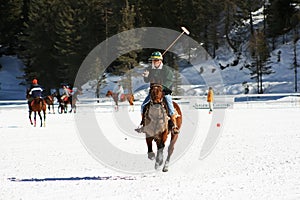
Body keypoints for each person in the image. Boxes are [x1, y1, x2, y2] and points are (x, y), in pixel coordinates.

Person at [136, 51, 179, 133]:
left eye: (156, 60)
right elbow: (147, 80)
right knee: (143, 106)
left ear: (160, 61)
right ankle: (142, 123)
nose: (154, 62)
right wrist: (146, 76)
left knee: (170, 107)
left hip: (165, 92)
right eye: (153, 60)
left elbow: (169, 80)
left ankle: (174, 125)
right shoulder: (150, 69)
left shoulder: (166, 69)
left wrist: (160, 87)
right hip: (153, 93)